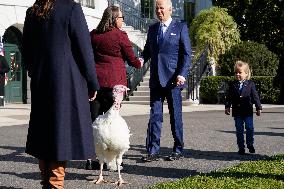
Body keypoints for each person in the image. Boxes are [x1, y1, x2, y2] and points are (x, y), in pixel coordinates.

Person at [22, 0, 100, 188]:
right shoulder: (71, 9)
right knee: (60, 135)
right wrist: (93, 82)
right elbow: (84, 50)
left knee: (45, 134)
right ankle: (54, 184)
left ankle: (47, 183)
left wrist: (35, 71)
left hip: (42, 82)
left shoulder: (33, 11)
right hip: (66, 83)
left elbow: (26, 51)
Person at [85, 5, 143, 170]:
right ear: (114, 19)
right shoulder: (120, 36)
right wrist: (140, 62)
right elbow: (132, 60)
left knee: (95, 123)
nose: (123, 21)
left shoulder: (94, 35)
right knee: (112, 123)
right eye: (121, 18)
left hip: (96, 84)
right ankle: (113, 160)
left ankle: (93, 159)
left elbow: (87, 56)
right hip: (114, 86)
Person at [140, 0, 191, 162]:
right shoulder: (153, 29)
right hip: (156, 79)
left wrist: (182, 74)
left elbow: (187, 54)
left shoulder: (180, 27)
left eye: (161, 8)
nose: (158, 11)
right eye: (157, 8)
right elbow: (148, 50)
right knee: (155, 116)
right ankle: (153, 151)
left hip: (173, 80)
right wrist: (140, 59)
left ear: (170, 9)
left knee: (175, 115)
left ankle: (178, 148)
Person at [225, 61, 262, 155]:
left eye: (240, 72)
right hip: (237, 112)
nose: (237, 74)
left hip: (247, 111)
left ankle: (250, 144)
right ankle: (241, 147)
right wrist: (227, 107)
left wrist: (258, 107)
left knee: (249, 128)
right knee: (239, 129)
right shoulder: (232, 84)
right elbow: (229, 97)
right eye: (236, 72)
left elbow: (255, 96)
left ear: (246, 73)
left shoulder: (250, 84)